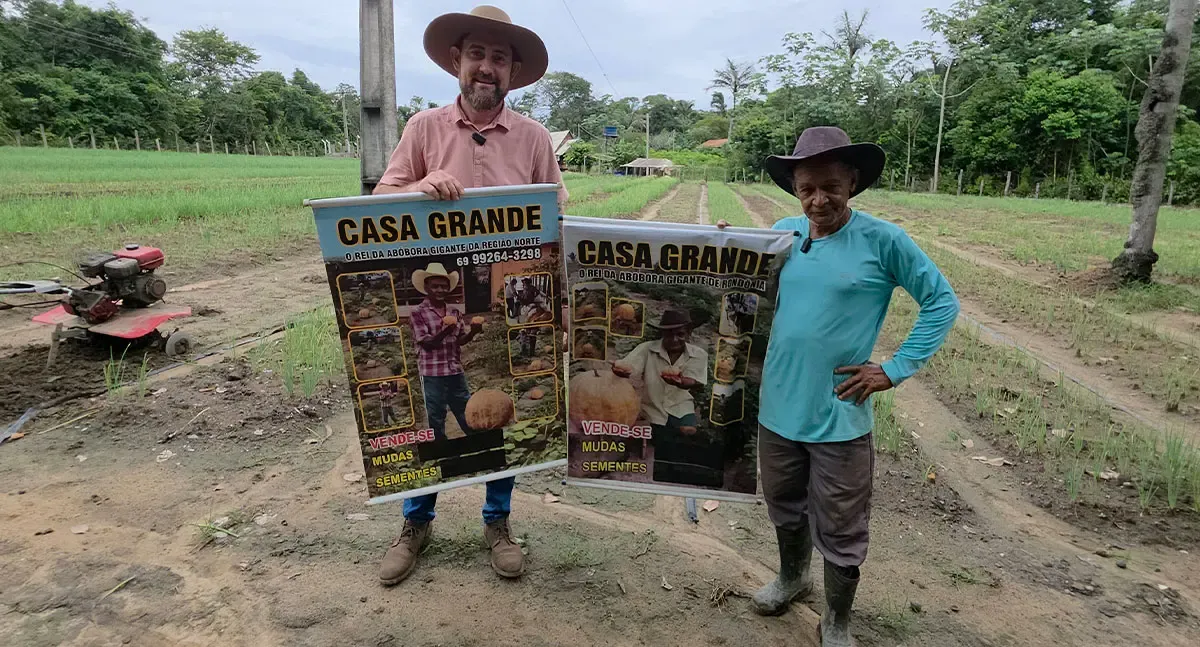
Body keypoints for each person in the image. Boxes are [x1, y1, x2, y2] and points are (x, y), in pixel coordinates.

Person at [721, 127, 959, 646]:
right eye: (807, 188)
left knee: (842, 524)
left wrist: (892, 369)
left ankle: (837, 618)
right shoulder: (783, 235)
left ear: (852, 181)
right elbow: (737, 292)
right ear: (795, 188)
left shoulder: (884, 241)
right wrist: (723, 247)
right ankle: (791, 577)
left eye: (830, 186)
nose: (818, 199)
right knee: (784, 504)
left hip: (839, 414)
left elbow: (941, 302)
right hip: (777, 407)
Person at [372, 5, 566, 587]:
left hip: (510, 297)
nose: (487, 67)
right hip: (447, 283)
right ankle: (417, 520)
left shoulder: (533, 137)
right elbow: (382, 198)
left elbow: (557, 216)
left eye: (499, 58)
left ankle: (497, 521)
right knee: (436, 419)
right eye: (477, 54)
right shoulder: (423, 128)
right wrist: (416, 186)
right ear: (457, 61)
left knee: (497, 409)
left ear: (513, 71)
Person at [610, 309, 714, 485]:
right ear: (662, 333)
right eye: (669, 334)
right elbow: (628, 367)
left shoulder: (699, 354)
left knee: (688, 432)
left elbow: (695, 382)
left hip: (681, 405)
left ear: (688, 333)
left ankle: (687, 470)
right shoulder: (647, 349)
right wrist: (620, 370)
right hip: (652, 407)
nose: (674, 339)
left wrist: (682, 382)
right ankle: (665, 471)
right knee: (663, 439)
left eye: (680, 334)